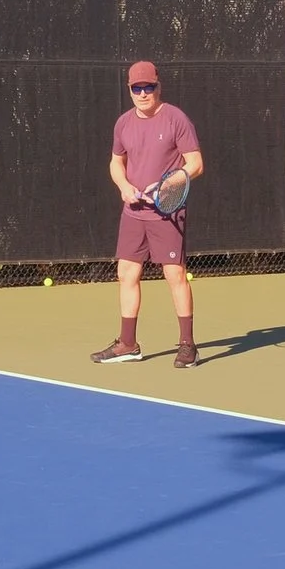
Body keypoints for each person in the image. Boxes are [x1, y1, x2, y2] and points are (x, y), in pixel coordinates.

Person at [92, 61, 205, 369]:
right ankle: (127, 344)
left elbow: (195, 163)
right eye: (136, 88)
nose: (143, 93)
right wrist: (124, 186)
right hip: (133, 212)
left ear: (158, 86)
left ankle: (187, 346)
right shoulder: (123, 123)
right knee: (126, 274)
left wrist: (170, 183)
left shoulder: (176, 119)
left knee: (175, 275)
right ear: (129, 90)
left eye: (148, 87)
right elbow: (116, 163)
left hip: (166, 214)